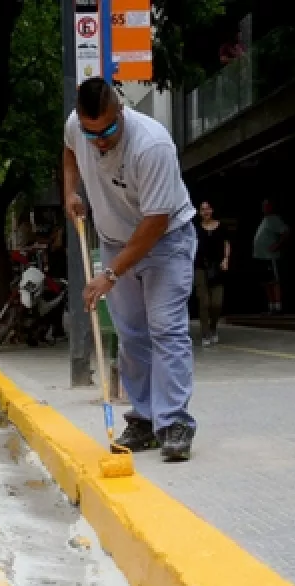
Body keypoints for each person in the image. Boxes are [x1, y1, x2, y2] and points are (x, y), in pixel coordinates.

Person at [63, 77, 198, 462]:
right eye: (91, 133)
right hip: (115, 240)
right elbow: (69, 152)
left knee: (166, 329)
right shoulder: (77, 127)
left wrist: (110, 274)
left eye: (107, 131)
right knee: (132, 334)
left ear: (120, 111)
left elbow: (155, 222)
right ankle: (144, 419)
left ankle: (174, 422)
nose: (99, 141)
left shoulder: (151, 145)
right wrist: (70, 191)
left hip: (166, 241)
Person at [194, 201, 230, 346]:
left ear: (212, 210)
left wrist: (226, 259)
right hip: (200, 268)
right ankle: (205, 332)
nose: (206, 211)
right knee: (204, 302)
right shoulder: (196, 228)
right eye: (203, 209)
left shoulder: (221, 227)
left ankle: (213, 327)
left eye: (208, 208)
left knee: (217, 303)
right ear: (199, 212)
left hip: (217, 267)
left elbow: (226, 244)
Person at [253, 199, 288, 314]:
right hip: (261, 256)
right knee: (266, 282)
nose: (264, 207)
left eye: (266, 205)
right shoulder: (265, 219)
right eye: (263, 205)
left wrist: (277, 245)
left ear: (271, 207)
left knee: (274, 281)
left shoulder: (274, 219)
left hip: (270, 257)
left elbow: (285, 232)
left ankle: (278, 307)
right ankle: (271, 306)